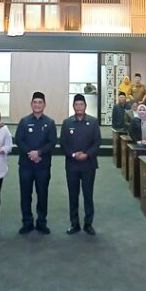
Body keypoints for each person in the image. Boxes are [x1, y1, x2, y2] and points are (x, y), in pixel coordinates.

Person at [15, 91, 57, 235]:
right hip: (26, 165)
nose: (37, 105)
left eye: (40, 102)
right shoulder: (24, 121)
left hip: (43, 165)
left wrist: (39, 153)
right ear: (31, 104)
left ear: (44, 105)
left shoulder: (50, 122)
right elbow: (19, 140)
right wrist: (31, 153)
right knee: (25, 194)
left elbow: (52, 142)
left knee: (42, 194)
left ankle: (41, 222)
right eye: (35, 102)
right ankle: (27, 222)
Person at [60, 94, 101, 235]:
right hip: (72, 165)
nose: (79, 107)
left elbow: (97, 142)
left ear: (85, 106)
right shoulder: (67, 123)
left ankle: (88, 224)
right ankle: (74, 224)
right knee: (73, 195)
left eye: (81, 104)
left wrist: (87, 154)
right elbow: (63, 143)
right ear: (73, 106)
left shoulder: (93, 122)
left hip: (88, 165)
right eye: (76, 105)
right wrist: (73, 154)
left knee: (88, 194)